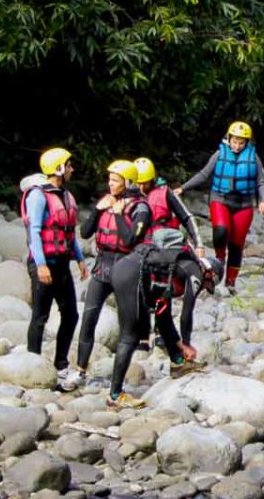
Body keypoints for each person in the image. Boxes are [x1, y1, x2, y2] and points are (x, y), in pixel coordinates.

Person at [105, 243, 215, 408]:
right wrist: (186, 343)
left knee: (149, 325)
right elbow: (187, 313)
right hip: (129, 274)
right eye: (208, 285)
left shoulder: (171, 271)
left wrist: (179, 350)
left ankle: (178, 363)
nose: (204, 288)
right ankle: (115, 395)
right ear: (210, 273)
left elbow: (163, 318)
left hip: (127, 270)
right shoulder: (195, 272)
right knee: (130, 336)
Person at [76, 159, 153, 380]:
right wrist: (97, 211)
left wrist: (119, 215)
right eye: (109, 180)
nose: (110, 184)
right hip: (103, 267)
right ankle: (80, 369)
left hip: (125, 269)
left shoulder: (141, 208)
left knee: (127, 326)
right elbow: (85, 233)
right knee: (89, 317)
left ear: (128, 182)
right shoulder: (106, 202)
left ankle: (120, 380)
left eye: (115, 180)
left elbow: (130, 240)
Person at [22, 147, 84, 390]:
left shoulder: (65, 195)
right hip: (43, 263)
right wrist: (40, 265)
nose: (71, 169)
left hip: (62, 264)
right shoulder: (38, 196)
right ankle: (32, 363)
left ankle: (60, 364)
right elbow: (34, 232)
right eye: (68, 165)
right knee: (40, 316)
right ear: (58, 168)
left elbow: (69, 232)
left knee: (70, 314)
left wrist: (79, 258)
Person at [181, 121, 264, 291]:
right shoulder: (219, 154)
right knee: (221, 231)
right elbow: (203, 175)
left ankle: (230, 282)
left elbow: (261, 182)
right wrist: (183, 188)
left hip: (243, 204)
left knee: (236, 245)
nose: (237, 146)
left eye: (241, 143)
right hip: (220, 199)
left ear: (247, 143)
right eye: (234, 141)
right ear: (228, 139)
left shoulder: (254, 158)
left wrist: (263, 200)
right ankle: (219, 260)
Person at [133, 156, 208, 351]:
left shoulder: (165, 193)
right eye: (138, 183)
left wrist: (198, 243)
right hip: (143, 245)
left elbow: (186, 217)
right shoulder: (130, 195)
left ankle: (160, 331)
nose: (141, 187)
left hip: (166, 247)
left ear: (151, 180)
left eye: (144, 183)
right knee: (141, 288)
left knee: (162, 286)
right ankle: (142, 335)